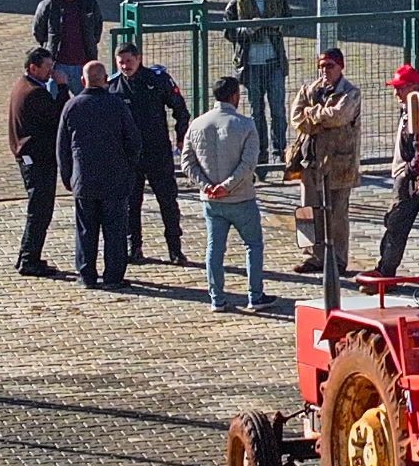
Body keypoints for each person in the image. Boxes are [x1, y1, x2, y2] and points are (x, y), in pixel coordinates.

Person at [183, 74, 269, 312]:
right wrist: (228, 185)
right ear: (235, 96)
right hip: (241, 197)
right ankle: (255, 295)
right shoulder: (245, 124)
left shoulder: (197, 124)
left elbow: (187, 163)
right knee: (253, 245)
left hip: (211, 200)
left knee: (214, 248)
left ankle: (217, 298)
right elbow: (249, 164)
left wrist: (207, 185)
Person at [56, 58, 141, 289]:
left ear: (83, 80)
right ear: (105, 80)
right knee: (115, 231)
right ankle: (113, 276)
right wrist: (129, 169)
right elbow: (133, 141)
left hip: (84, 180)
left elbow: (62, 148)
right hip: (114, 179)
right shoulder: (117, 105)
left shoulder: (71, 107)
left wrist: (68, 177)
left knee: (86, 229)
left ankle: (87, 275)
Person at [110, 40, 193, 265]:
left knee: (168, 201)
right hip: (129, 157)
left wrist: (181, 136)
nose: (126, 66)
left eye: (129, 61)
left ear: (139, 59)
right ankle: (134, 248)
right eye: (121, 63)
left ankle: (175, 249)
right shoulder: (113, 87)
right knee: (131, 204)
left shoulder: (157, 80)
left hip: (157, 152)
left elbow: (180, 109)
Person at [287, 46, 363, 275]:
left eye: (330, 66)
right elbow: (296, 119)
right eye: (321, 66)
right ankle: (311, 257)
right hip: (309, 162)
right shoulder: (308, 90)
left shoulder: (351, 93)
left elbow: (340, 116)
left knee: (337, 214)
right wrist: (320, 115)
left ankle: (338, 259)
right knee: (307, 212)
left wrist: (313, 115)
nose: (324, 71)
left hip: (340, 164)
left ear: (341, 67)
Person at [6, 46, 69, 279]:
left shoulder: (24, 86)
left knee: (39, 209)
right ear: (33, 67)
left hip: (30, 155)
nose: (52, 72)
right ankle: (29, 259)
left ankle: (28, 254)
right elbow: (60, 115)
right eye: (48, 68)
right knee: (40, 210)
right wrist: (62, 86)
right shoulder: (34, 93)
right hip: (37, 159)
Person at [375, 64, 419, 279]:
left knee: (396, 224)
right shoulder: (409, 107)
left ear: (415, 86)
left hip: (409, 180)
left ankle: (386, 273)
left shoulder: (418, 111)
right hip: (405, 176)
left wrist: (407, 172)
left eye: (401, 88)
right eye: (395, 88)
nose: (396, 92)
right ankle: (384, 269)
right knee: (394, 223)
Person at [230, 0, 291, 130]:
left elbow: (290, 23)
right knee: (256, 112)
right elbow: (229, 32)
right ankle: (259, 151)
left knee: (278, 110)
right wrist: (249, 29)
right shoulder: (237, 3)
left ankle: (279, 151)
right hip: (251, 65)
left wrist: (277, 25)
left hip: (274, 63)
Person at [32, 0, 106, 75]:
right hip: (56, 65)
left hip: (83, 64)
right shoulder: (48, 6)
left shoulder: (90, 4)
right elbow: (39, 32)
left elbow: (97, 30)